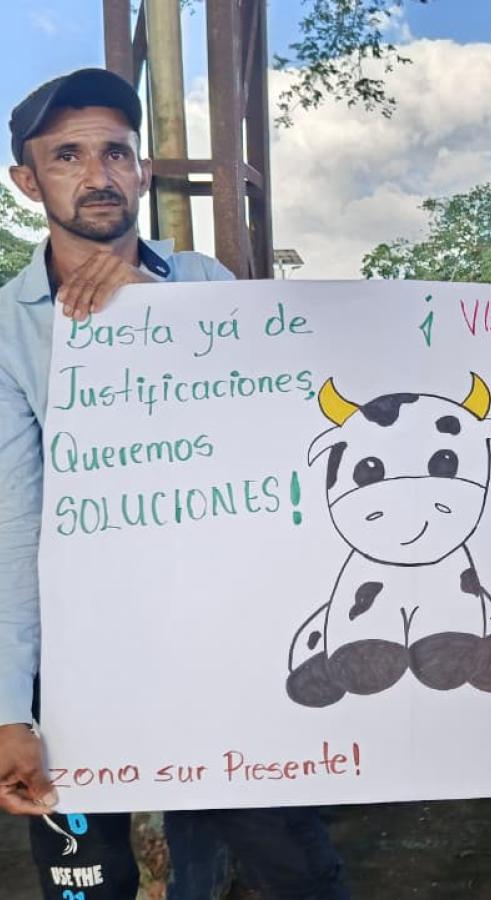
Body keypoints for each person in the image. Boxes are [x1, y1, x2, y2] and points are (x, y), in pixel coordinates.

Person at [0, 68, 349, 900]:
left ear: (142, 170)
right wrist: (13, 705)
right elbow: (16, 525)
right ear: (26, 180)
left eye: (116, 153)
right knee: (86, 886)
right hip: (79, 662)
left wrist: (151, 309)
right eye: (68, 156)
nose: (98, 176)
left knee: (296, 866)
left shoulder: (205, 287)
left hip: (220, 646)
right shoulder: (9, 328)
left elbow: (277, 435)